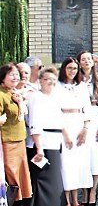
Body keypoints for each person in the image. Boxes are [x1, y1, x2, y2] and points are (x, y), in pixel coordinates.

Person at [27, 67, 68, 206]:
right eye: (47, 79)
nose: (51, 82)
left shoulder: (54, 97)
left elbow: (60, 120)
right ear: (40, 81)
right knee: (45, 179)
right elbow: (35, 123)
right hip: (43, 142)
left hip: (56, 141)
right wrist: (39, 148)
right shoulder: (36, 98)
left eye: (53, 79)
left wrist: (66, 136)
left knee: (55, 178)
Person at [58, 58, 93, 206]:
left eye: (74, 68)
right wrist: (65, 132)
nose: (72, 71)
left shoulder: (82, 86)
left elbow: (87, 108)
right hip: (64, 125)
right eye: (69, 68)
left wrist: (85, 129)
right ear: (64, 69)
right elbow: (55, 110)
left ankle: (76, 199)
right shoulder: (57, 87)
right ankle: (66, 200)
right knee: (66, 164)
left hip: (79, 123)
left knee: (79, 162)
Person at [78, 50, 98, 206]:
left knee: (96, 157)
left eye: (89, 59)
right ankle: (84, 191)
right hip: (81, 119)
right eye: (83, 59)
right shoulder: (76, 79)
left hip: (96, 118)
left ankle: (93, 192)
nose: (86, 61)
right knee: (84, 157)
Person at [0, 64, 33, 204]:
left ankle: (20, 200)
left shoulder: (14, 92)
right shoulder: (1, 94)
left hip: (20, 140)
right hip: (8, 142)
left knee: (21, 175)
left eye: (17, 75)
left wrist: (20, 102)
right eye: (12, 74)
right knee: (11, 176)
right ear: (3, 77)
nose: (16, 77)